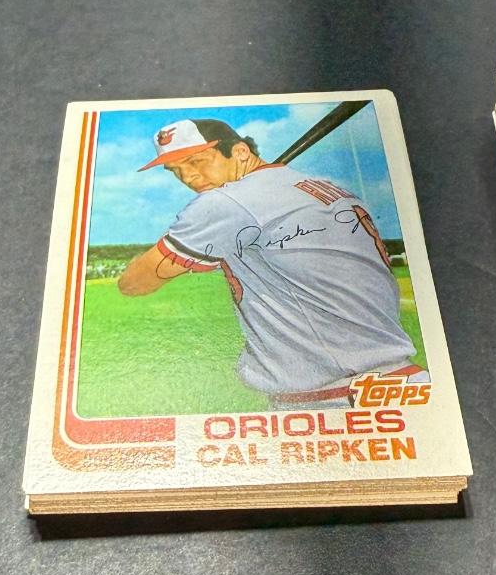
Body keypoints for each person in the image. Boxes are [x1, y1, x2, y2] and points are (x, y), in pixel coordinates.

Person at [118, 117, 426, 408]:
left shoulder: (225, 203)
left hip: (333, 399)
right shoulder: (327, 188)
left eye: (197, 161)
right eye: (175, 170)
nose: (188, 177)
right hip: (401, 383)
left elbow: (134, 283)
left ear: (240, 152)